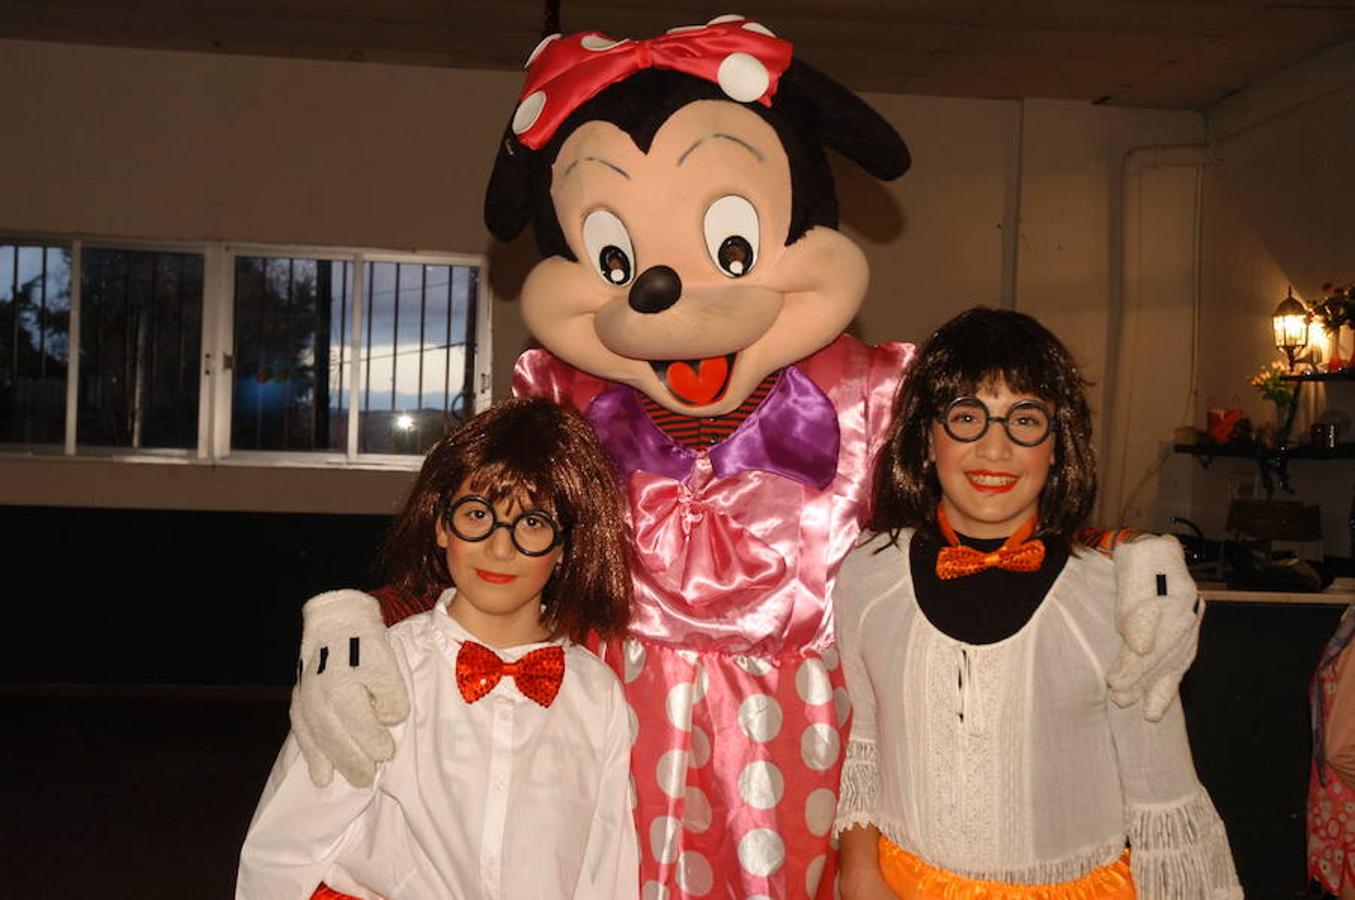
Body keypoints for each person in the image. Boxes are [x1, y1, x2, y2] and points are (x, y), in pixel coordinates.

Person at [833, 308, 1241, 899]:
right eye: (967, 417)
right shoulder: (868, 577)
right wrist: (861, 874)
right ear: (926, 439)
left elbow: (1163, 801)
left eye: (1024, 420)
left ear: (1057, 448)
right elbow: (864, 746)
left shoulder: (1114, 597)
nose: (994, 449)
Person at [237, 397, 639, 899]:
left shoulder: (596, 695)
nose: (499, 547)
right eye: (477, 515)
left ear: (567, 547)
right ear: (441, 525)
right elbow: (285, 845)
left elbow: (607, 864)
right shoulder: (384, 670)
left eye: (532, 523)